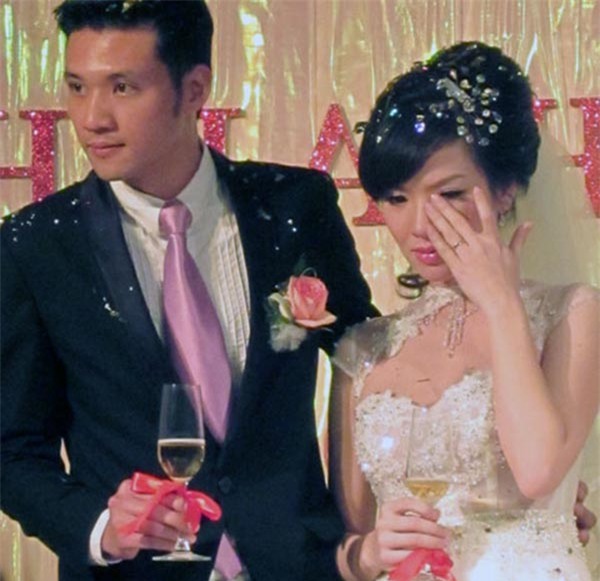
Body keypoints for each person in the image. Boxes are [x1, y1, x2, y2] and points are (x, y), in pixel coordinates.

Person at [0, 1, 377, 580]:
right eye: (77, 87)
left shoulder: (294, 208)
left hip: (296, 565)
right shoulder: (38, 246)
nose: (92, 117)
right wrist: (100, 528)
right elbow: (12, 450)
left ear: (195, 88)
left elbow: (372, 358)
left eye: (122, 87)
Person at [329, 42, 600, 581]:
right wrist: (369, 554)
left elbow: (538, 471)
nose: (419, 225)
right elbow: (348, 533)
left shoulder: (571, 312)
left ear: (504, 191)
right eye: (397, 199)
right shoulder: (365, 349)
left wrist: (501, 304)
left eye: (448, 194)